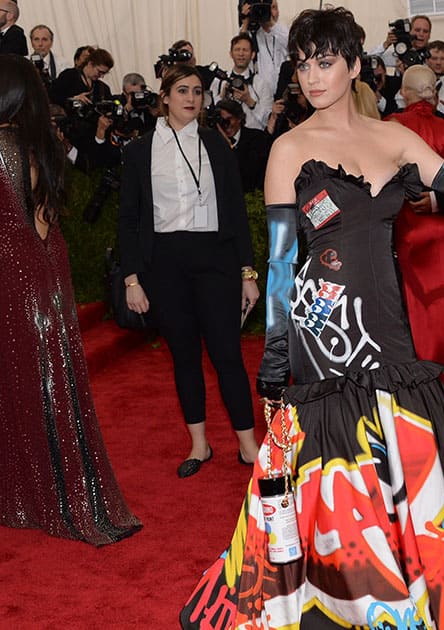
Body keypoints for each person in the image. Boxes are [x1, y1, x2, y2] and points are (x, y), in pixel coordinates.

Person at [180, 8, 444, 628]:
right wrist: (276, 369)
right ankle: (337, 602)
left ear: (355, 65)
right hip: (322, 333)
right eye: (303, 63)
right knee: (330, 475)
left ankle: (415, 599)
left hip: (387, 327)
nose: (312, 76)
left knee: (406, 459)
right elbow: (283, 267)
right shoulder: (289, 147)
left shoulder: (393, 139)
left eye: (326, 61)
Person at [0, 55, 141, 546]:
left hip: (11, 281)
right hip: (41, 279)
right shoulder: (39, 146)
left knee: (16, 382)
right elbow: (42, 224)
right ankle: (59, 493)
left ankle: (24, 496)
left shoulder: (7, 148)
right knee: (47, 380)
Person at [117, 64, 260, 477]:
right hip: (164, 264)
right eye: (182, 90)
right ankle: (199, 444)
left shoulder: (216, 145)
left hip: (216, 260)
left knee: (227, 354)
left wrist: (247, 273)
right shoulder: (140, 151)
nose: (192, 98)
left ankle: (249, 446)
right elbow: (128, 219)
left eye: (198, 91)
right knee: (184, 357)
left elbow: (234, 212)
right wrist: (132, 277)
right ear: (164, 96)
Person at [386, 64, 444, 407]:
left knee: (418, 310)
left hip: (412, 226)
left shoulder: (393, 125)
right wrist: (439, 200)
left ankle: (425, 391)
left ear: (406, 92)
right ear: (434, 92)